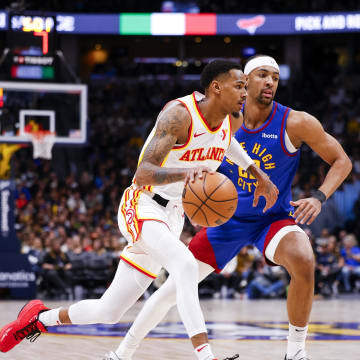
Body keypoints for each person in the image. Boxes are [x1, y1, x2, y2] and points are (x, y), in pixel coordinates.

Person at [0, 60, 278, 360]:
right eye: (239, 85)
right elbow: (143, 173)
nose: (244, 91)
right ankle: (206, 355)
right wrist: (186, 174)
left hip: (172, 215)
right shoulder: (179, 115)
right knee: (185, 266)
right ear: (216, 86)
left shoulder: (231, 119)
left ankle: (38, 318)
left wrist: (257, 172)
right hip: (142, 203)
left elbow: (228, 143)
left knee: (109, 312)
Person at [113, 55, 352, 360]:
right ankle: (122, 352)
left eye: (275, 78)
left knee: (304, 258)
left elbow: (342, 160)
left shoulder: (295, 122)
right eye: (262, 75)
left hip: (271, 219)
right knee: (172, 290)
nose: (270, 82)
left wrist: (319, 196)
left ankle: (296, 352)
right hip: (224, 220)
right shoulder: (222, 119)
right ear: (244, 82)